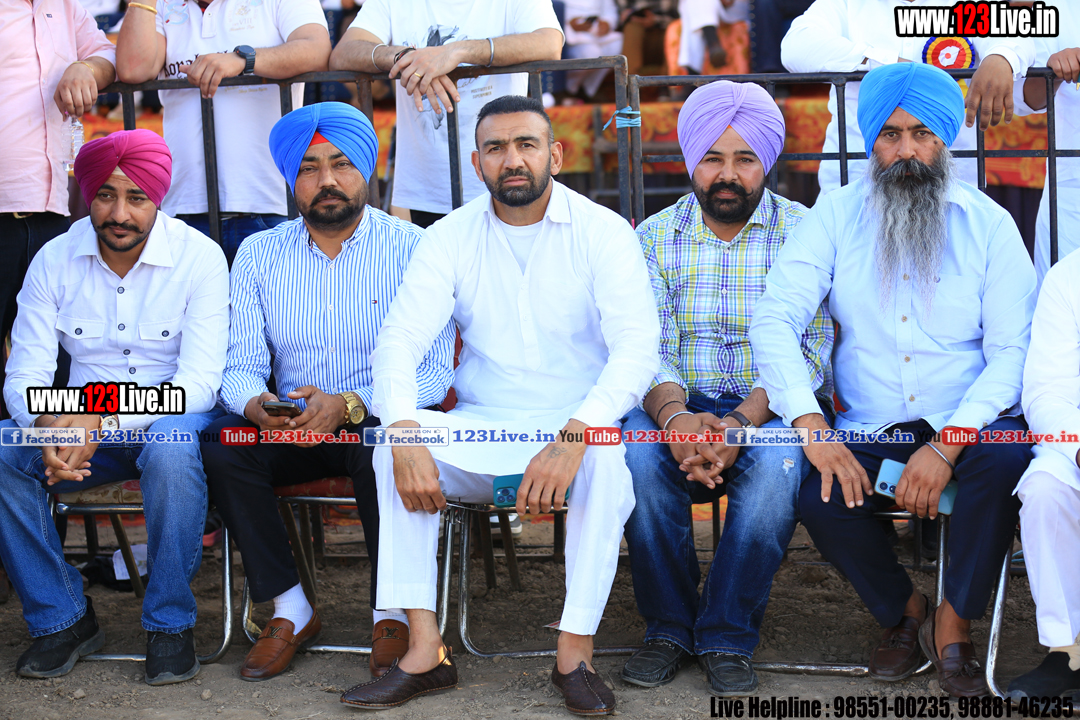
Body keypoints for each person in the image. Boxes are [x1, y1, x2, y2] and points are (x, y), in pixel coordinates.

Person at [339, 95, 660, 714]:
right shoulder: (450, 237)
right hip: (481, 426)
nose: (512, 160)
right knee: (389, 447)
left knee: (605, 461)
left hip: (575, 423)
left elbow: (636, 350)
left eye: (526, 145)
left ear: (554, 155)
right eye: (496, 148)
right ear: (477, 162)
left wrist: (574, 436)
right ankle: (424, 652)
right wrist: (403, 433)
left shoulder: (603, 231)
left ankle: (574, 655)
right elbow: (399, 339)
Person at [749, 62, 1036, 697]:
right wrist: (812, 426)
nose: (906, 150)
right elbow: (774, 318)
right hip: (873, 426)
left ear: (945, 139)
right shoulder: (835, 215)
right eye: (890, 134)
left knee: (1005, 462)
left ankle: (953, 622)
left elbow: (1013, 352)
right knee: (819, 491)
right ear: (871, 140)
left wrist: (948, 444)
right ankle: (907, 611)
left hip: (971, 423)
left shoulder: (990, 225)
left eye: (922, 134)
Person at [200, 103, 456, 683]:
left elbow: (434, 374)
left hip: (374, 419)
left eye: (341, 164)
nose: (327, 180)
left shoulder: (415, 248)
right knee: (221, 443)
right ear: (291, 179)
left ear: (366, 168)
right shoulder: (259, 253)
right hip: (291, 424)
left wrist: (347, 404)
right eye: (309, 168)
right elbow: (239, 367)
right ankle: (290, 607)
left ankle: (392, 614)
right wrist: (257, 407)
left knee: (383, 447)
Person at [620, 80, 834, 696]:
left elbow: (810, 348)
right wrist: (675, 419)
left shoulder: (805, 232)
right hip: (670, 404)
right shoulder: (652, 237)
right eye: (713, 158)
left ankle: (725, 634)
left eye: (745, 159)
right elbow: (644, 344)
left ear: (767, 161)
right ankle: (668, 628)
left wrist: (741, 421)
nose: (728, 174)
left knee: (775, 476)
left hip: (771, 407)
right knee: (635, 460)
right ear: (691, 160)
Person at [0, 129, 229, 685]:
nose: (119, 213)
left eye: (136, 197)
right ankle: (61, 618)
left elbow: (198, 385)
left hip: (172, 419)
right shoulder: (54, 258)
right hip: (75, 420)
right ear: (87, 195)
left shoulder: (199, 257)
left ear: (159, 198)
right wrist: (49, 424)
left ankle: (170, 624)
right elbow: (24, 375)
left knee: (172, 447)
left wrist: (99, 415)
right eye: (105, 195)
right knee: (3, 451)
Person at [114, 0, 332, 264]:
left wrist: (244, 60)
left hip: (269, 206)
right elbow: (133, 69)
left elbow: (317, 48)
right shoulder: (159, 4)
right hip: (184, 209)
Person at [328, 0, 563, 228]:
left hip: (506, 178)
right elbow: (343, 53)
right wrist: (408, 58)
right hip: (428, 185)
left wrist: (457, 51)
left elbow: (550, 43)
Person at [781, 0, 1035, 195]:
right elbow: (796, 46)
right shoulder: (846, 3)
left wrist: (1002, 56)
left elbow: (1018, 40)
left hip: (950, 183)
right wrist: (893, 66)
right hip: (857, 180)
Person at [0, 0, 116, 411]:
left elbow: (107, 56)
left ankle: (46, 445)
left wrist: (85, 68)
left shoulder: (64, 7)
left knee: (58, 357)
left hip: (50, 213)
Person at [1011, 2, 1079, 288]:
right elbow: (1024, 99)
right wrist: (1053, 70)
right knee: (1063, 302)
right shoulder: (1056, 8)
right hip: (1073, 194)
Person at [563, 0, 622, 99]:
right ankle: (569, 90)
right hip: (572, 36)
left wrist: (607, 23)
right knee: (591, 54)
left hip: (597, 33)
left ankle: (588, 90)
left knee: (617, 46)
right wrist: (569, 24)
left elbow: (610, 11)